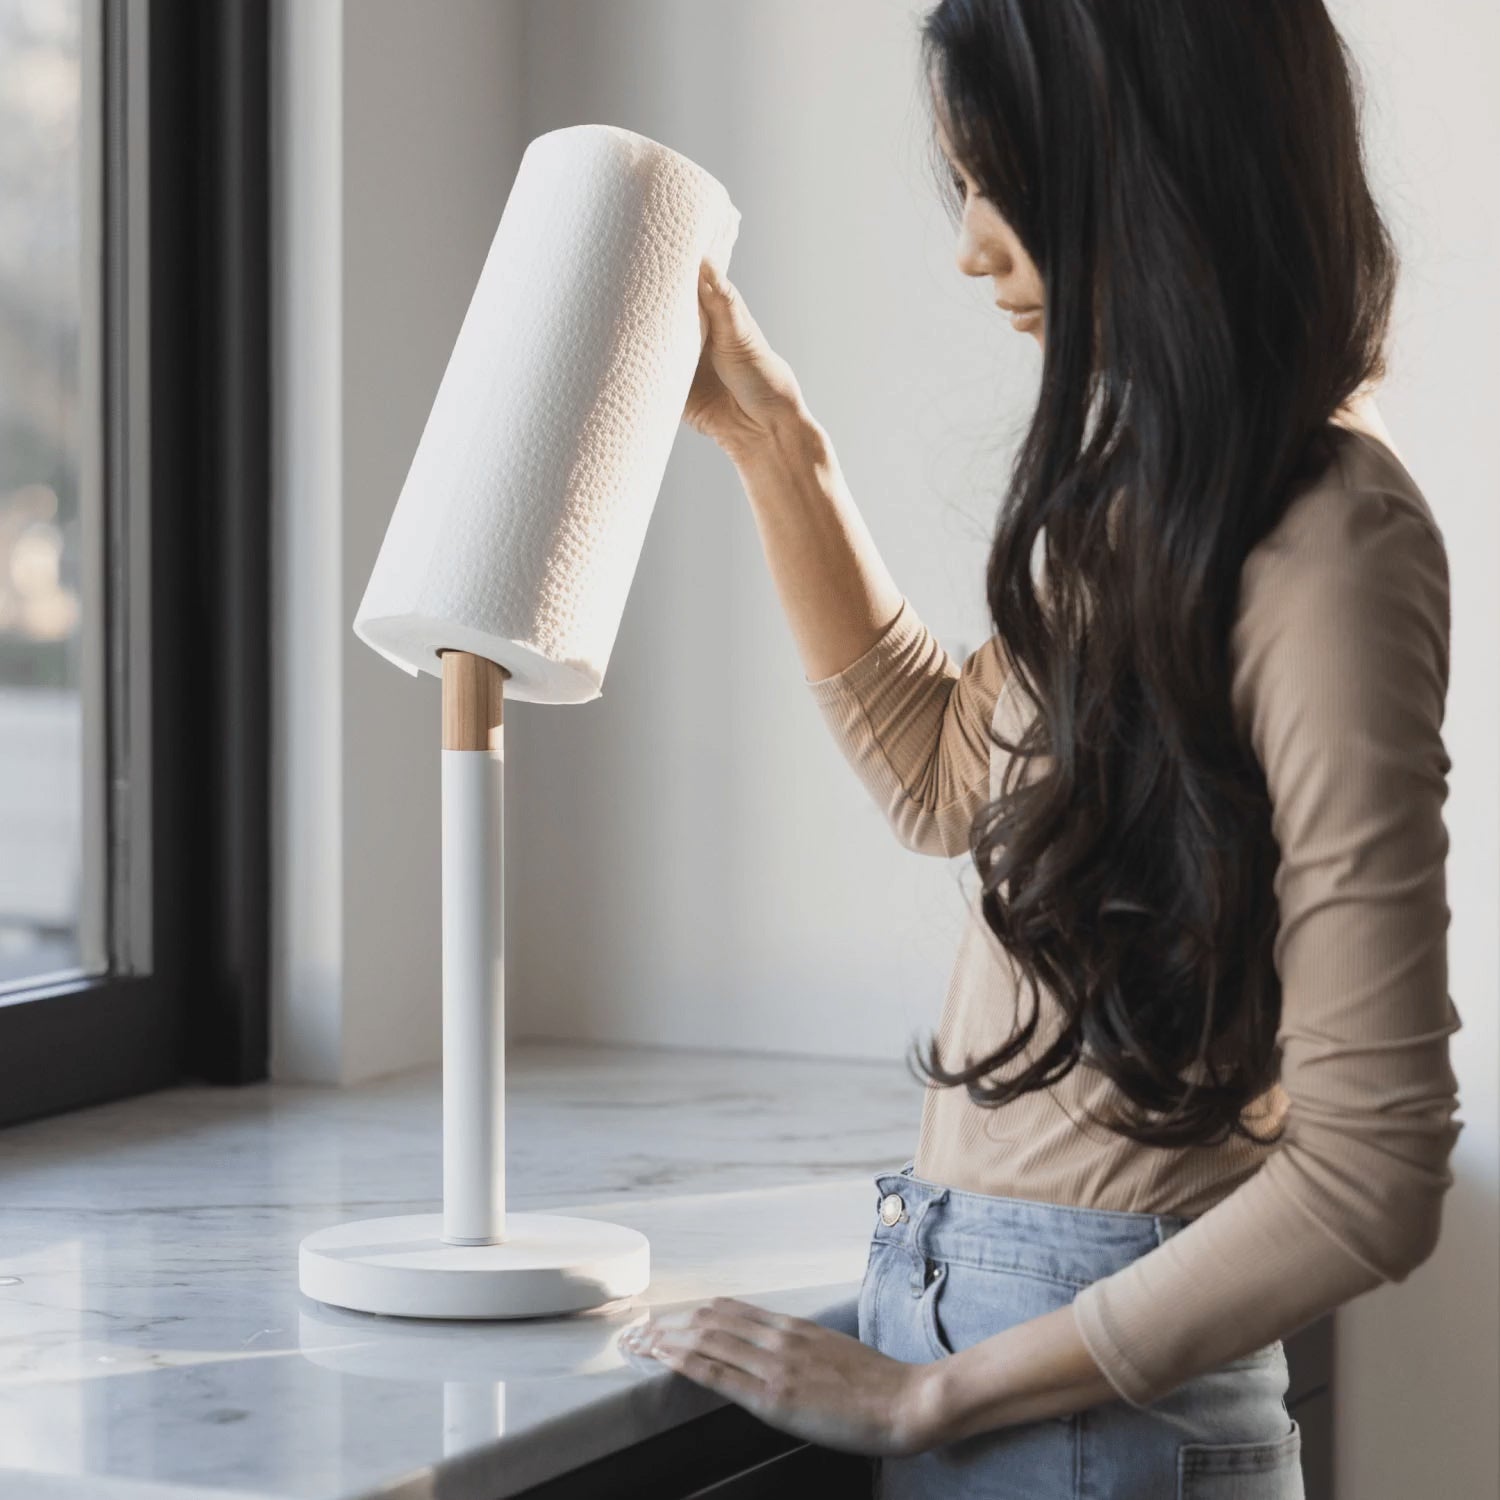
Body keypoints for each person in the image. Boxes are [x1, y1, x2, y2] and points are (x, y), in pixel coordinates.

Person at [620, 1, 1463, 1494]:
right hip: (1008, 1366)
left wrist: (931, 1404)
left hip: (1086, 1411)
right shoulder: (1151, 491)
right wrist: (777, 448)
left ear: (1157, 173)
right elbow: (948, 777)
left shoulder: (1335, 542)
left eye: (1010, 185)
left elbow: (1371, 1173)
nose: (975, 247)